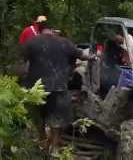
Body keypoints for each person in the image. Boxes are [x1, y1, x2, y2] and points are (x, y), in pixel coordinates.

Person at [21, 25, 95, 154]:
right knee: (57, 118)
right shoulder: (64, 43)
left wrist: (23, 81)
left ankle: (42, 140)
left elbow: (21, 64)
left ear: (40, 31)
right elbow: (83, 56)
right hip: (58, 87)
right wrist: (93, 57)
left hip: (36, 88)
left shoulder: (31, 42)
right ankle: (54, 148)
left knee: (39, 116)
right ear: (53, 31)